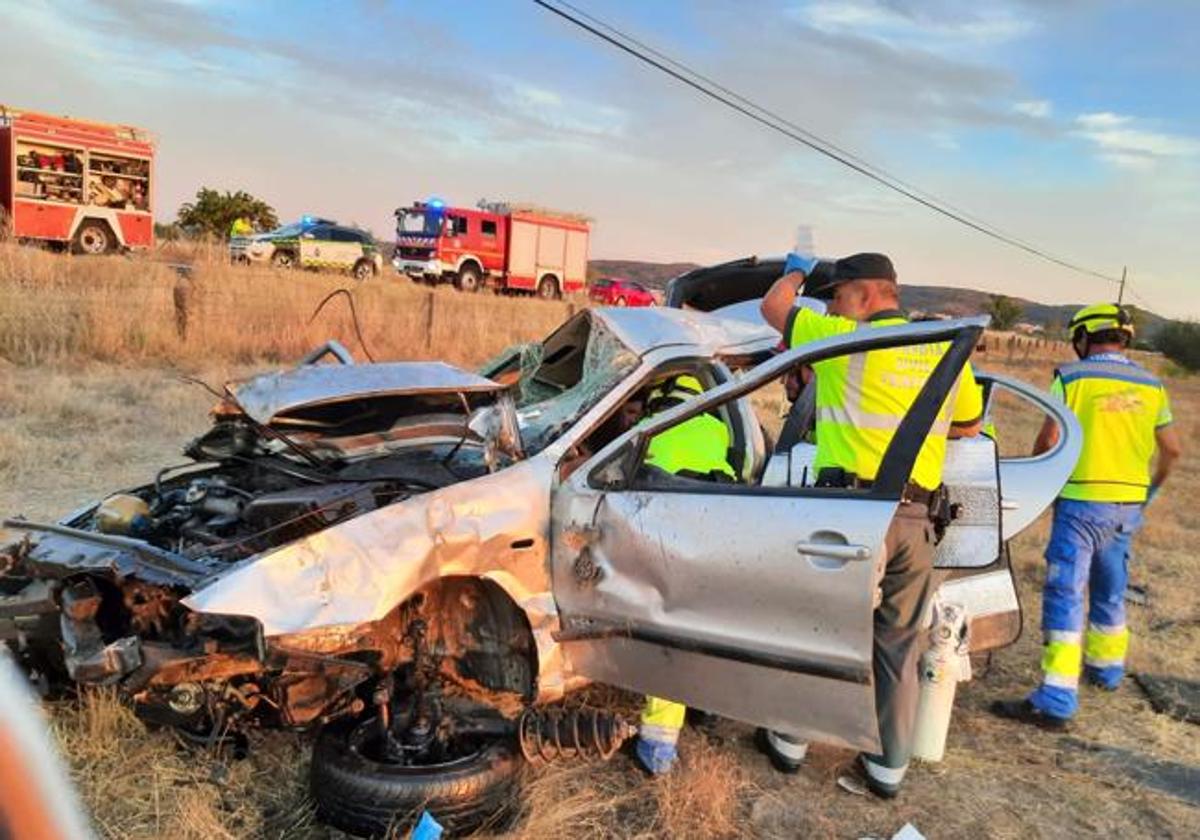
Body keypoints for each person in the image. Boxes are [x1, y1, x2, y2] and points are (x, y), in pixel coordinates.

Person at [758, 251, 983, 797]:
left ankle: (789, 743)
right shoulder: (947, 347)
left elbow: (774, 306)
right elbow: (970, 426)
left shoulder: (842, 341)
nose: (833, 306)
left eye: (835, 295)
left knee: (822, 630)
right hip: (918, 520)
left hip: (853, 517)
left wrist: (798, 272)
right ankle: (886, 769)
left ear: (861, 293)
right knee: (897, 645)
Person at [991, 304, 1181, 728]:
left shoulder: (1072, 377)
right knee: (1111, 587)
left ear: (1084, 336)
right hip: (1127, 506)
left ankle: (1056, 698)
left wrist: (1039, 482)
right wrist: (1148, 491)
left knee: (1065, 593)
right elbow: (1172, 449)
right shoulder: (1152, 384)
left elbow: (1050, 437)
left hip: (1080, 503)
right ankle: (1105, 669)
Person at [633, 374, 737, 775]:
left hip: (671, 539)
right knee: (706, 630)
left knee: (667, 638)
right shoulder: (717, 427)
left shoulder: (650, 428)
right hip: (719, 537)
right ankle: (707, 708)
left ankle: (657, 748)